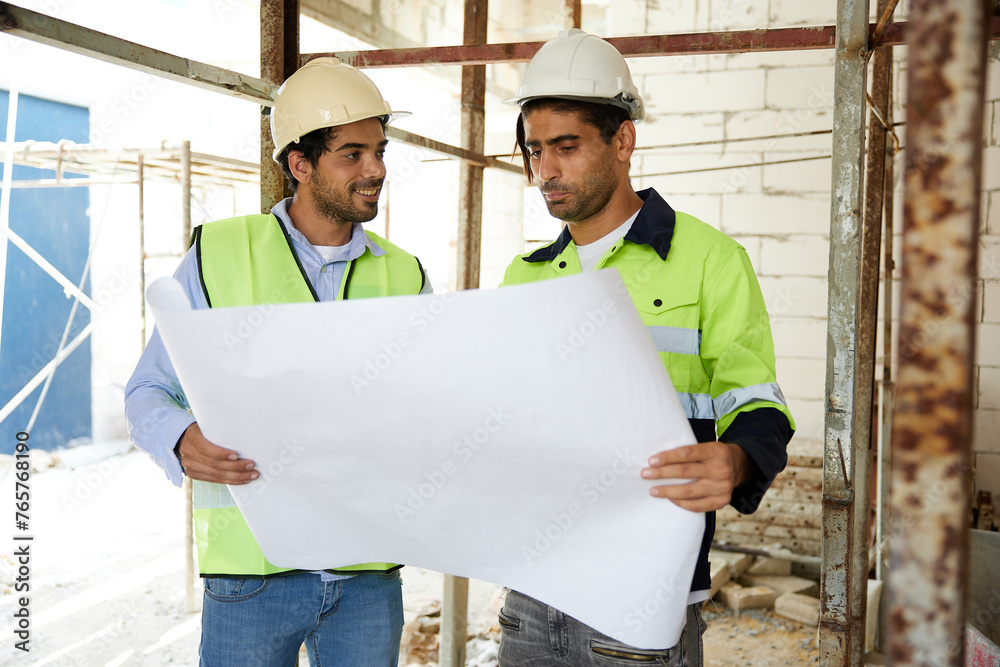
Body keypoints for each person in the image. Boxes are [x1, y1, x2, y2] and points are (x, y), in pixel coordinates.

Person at [497, 30, 795, 665]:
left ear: (623, 141)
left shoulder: (710, 259)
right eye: (535, 150)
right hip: (531, 588)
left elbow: (757, 402)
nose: (544, 170)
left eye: (566, 147)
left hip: (645, 589)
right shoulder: (522, 274)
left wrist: (739, 461)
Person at [124, 57, 430, 667]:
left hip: (367, 575)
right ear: (300, 164)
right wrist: (181, 438)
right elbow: (148, 390)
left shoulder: (405, 273)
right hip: (250, 577)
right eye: (353, 154)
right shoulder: (220, 254)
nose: (376, 170)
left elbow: (431, 408)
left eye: (379, 150)